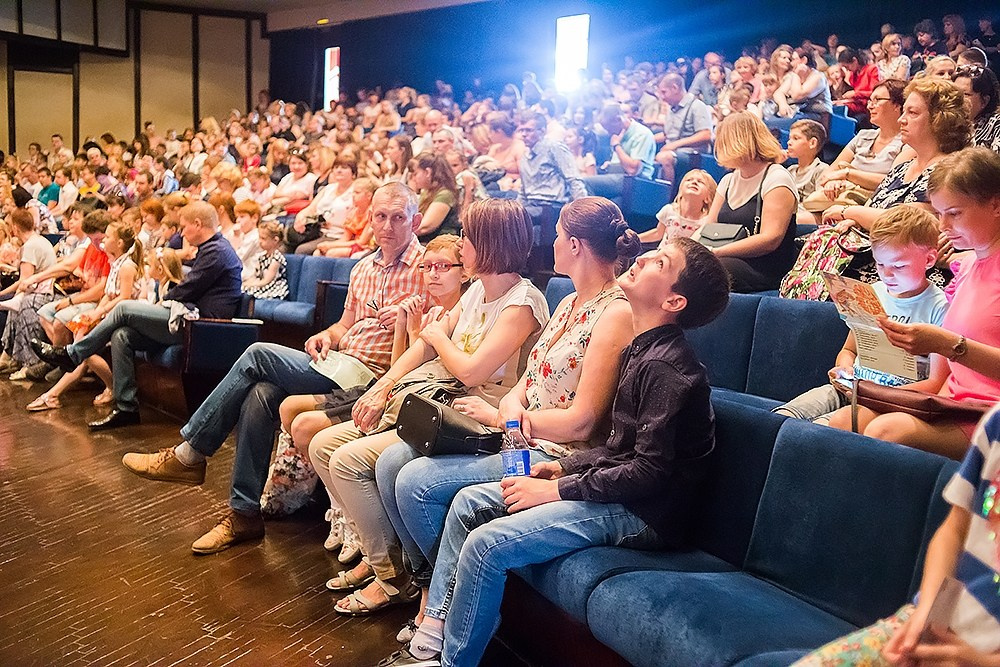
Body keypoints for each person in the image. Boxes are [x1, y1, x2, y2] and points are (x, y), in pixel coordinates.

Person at [378, 237, 730, 667]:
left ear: (674, 300)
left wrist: (558, 489)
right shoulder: (644, 348)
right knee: (471, 501)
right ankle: (432, 631)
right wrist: (560, 466)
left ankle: (452, 661)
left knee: (488, 544)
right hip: (622, 491)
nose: (641, 258)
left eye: (661, 261)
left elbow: (648, 473)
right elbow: (618, 447)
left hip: (647, 513)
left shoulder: (666, 367)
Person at [376, 196, 638, 643]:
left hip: (551, 452)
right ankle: (444, 593)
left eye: (557, 235)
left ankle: (448, 604)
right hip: (516, 435)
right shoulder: (570, 300)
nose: (550, 243)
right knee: (392, 466)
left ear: (574, 245)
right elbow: (529, 377)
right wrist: (509, 409)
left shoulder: (615, 313)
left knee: (416, 482)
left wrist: (504, 417)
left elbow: (584, 423)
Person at [115, 183, 429, 554]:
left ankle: (190, 452)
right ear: (370, 219)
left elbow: (432, 337)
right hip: (341, 362)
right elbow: (344, 325)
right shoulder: (363, 268)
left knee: (258, 353)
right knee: (260, 395)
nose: (388, 226)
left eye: (398, 217)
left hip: (376, 376)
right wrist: (325, 335)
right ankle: (243, 514)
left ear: (417, 220)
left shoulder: (429, 268)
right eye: (380, 216)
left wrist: (411, 322)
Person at [307, 198, 549, 616]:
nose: (463, 247)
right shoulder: (477, 293)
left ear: (489, 245)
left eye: (469, 239)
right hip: (441, 408)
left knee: (354, 461)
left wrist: (438, 338)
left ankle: (398, 579)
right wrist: (382, 387)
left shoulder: (522, 302)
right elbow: (423, 346)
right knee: (323, 446)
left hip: (481, 423)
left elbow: (472, 371)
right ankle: (387, 566)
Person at [270, 235, 467, 562]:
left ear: (464, 272)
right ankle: (340, 517)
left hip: (412, 398)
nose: (432, 274)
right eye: (428, 267)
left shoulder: (456, 314)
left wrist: (413, 327)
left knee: (307, 426)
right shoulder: (430, 313)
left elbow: (429, 375)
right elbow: (401, 366)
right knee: (285, 405)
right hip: (385, 385)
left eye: (443, 267)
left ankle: (370, 543)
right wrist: (407, 326)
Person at [824, 147, 1000, 459]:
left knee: (887, 432)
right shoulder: (967, 266)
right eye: (939, 214)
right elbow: (941, 380)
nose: (943, 228)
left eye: (954, 214)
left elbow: (953, 355)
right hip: (951, 403)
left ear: (995, 205)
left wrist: (950, 345)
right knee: (840, 423)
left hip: (989, 414)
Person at [793, 404, 1000, 666]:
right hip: (938, 625)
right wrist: (927, 614)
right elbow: (954, 531)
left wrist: (979, 661)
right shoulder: (996, 424)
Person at [31, 200, 243, 429]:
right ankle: (126, 408)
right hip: (190, 319)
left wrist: (161, 303)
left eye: (183, 227)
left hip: (204, 326)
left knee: (123, 308)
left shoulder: (217, 251)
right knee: (122, 335)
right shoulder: (211, 249)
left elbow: (187, 289)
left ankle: (73, 354)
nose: (181, 232)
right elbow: (187, 290)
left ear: (198, 224)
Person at [776, 205, 949, 423]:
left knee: (820, 429)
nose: (887, 274)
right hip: (850, 388)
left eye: (899, 265)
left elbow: (936, 383)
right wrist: (844, 367)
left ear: (929, 259)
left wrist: (874, 394)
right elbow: (849, 349)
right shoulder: (872, 292)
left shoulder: (940, 307)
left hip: (890, 403)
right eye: (880, 263)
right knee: (782, 418)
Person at [822, 77, 970, 235]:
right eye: (904, 111)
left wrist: (848, 211)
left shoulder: (947, 171)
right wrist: (856, 220)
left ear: (939, 119)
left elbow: (905, 222)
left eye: (912, 113)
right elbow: (873, 206)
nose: (901, 120)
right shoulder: (903, 165)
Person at [26, 220, 145, 411]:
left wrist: (98, 311)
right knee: (80, 338)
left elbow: (124, 298)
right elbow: (109, 293)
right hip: (110, 313)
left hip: (126, 318)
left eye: (108, 237)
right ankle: (55, 393)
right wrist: (94, 313)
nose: (104, 240)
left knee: (85, 348)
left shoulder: (127, 267)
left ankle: (106, 387)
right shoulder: (117, 264)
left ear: (120, 243)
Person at [703, 112, 799, 292]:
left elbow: (770, 239)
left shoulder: (776, 177)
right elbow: (708, 227)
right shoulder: (728, 180)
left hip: (764, 267)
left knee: (710, 270)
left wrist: (716, 252)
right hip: (724, 257)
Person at [803, 79, 908, 218]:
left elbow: (893, 182)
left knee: (795, 222)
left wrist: (848, 174)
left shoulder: (906, 143)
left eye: (877, 100)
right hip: (837, 201)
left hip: (871, 209)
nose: (870, 106)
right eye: (870, 100)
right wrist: (832, 181)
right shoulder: (863, 136)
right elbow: (829, 173)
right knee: (793, 219)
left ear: (897, 105)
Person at [0, 209, 57, 378]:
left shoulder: (30, 246)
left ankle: (28, 361)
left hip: (42, 293)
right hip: (41, 289)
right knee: (12, 303)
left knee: (21, 304)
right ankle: (9, 355)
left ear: (15, 228)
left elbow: (25, 282)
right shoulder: (40, 241)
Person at [651, 73, 714, 185]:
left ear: (675, 88)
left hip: (692, 154)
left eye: (664, 92)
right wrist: (646, 139)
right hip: (672, 150)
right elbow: (667, 134)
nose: (662, 97)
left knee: (664, 157)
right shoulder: (672, 108)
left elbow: (706, 135)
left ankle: (667, 195)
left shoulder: (697, 106)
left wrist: (675, 145)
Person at [638, 170, 717, 244]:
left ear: (708, 198)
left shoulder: (706, 221)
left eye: (700, 182)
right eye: (689, 180)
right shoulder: (669, 210)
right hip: (662, 253)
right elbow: (658, 233)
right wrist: (636, 239)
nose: (694, 182)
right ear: (681, 191)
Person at [410, 152, 461, 243]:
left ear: (428, 172)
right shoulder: (427, 192)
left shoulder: (445, 194)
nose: (413, 178)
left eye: (415, 173)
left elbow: (425, 227)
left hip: (440, 246)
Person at [785, 119, 829, 222]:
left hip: (809, 218)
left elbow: (821, 204)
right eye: (789, 138)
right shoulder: (791, 170)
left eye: (796, 138)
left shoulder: (821, 169)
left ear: (812, 143)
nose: (789, 142)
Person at [952, 64, 1000, 151]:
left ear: (984, 101)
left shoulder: (997, 127)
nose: (955, 98)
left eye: (965, 94)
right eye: (954, 92)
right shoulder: (947, 123)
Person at [242, 221, 288, 299]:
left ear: (275, 240)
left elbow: (266, 281)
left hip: (272, 287)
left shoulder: (276, 258)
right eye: (259, 238)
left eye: (263, 238)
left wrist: (251, 284)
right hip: (260, 283)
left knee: (249, 292)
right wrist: (247, 283)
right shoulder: (262, 256)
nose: (260, 241)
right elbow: (256, 275)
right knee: (241, 289)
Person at [836, 47, 881, 123]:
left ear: (855, 60)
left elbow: (875, 93)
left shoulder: (872, 69)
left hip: (868, 107)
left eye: (847, 66)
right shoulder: (853, 75)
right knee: (837, 107)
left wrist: (855, 94)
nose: (847, 70)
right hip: (858, 106)